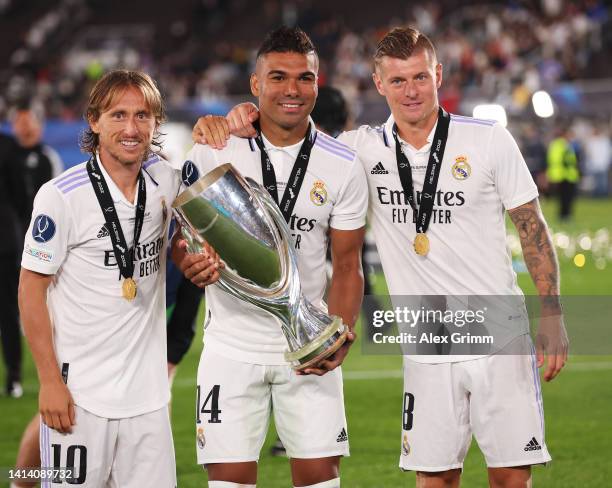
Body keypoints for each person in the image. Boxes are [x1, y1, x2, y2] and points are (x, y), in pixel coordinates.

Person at [196, 26, 569, 488]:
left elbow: (532, 225)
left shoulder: (488, 140)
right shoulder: (359, 149)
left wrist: (551, 310)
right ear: (379, 84)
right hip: (426, 340)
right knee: (434, 480)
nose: (410, 91)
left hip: (498, 333)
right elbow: (295, 140)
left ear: (438, 74)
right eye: (397, 81)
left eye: (419, 77)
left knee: (511, 479)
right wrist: (238, 117)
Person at [174, 27, 367, 488]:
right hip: (231, 347)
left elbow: (347, 264)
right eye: (278, 77)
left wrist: (334, 333)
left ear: (318, 84)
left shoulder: (342, 164)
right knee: (229, 483)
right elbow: (185, 240)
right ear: (256, 84)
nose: (292, 90)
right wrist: (189, 262)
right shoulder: (214, 148)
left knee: (321, 480)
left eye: (305, 78)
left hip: (306, 346)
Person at [18, 70, 182, 487]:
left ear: (156, 122)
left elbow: (190, 242)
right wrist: (50, 383)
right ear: (94, 120)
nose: (131, 128)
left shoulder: (167, 182)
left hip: (148, 401)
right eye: (118, 115)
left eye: (143, 116)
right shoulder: (60, 196)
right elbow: (30, 291)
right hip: (79, 400)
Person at [0, 104, 63, 399]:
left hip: (29, 244)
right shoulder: (9, 151)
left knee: (26, 308)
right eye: (19, 123)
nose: (24, 129)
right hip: (12, 241)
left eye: (29, 123)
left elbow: (34, 202)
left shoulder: (42, 158)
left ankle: (26, 372)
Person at [546, 126, 579, 221]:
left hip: (562, 175)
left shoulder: (559, 144)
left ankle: (564, 215)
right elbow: (562, 160)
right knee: (565, 197)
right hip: (564, 175)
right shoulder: (562, 145)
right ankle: (565, 215)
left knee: (564, 197)